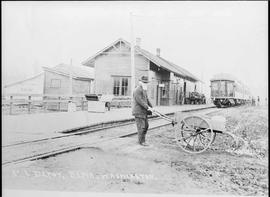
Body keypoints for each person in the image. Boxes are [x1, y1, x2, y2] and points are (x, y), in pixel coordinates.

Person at [132, 76, 154, 146]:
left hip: (143, 112)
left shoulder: (144, 90)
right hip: (138, 112)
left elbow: (147, 99)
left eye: (146, 83)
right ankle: (141, 142)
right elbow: (140, 101)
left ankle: (142, 140)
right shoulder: (137, 90)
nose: (145, 84)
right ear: (140, 82)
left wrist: (152, 107)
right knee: (142, 127)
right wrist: (148, 107)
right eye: (144, 82)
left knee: (146, 126)